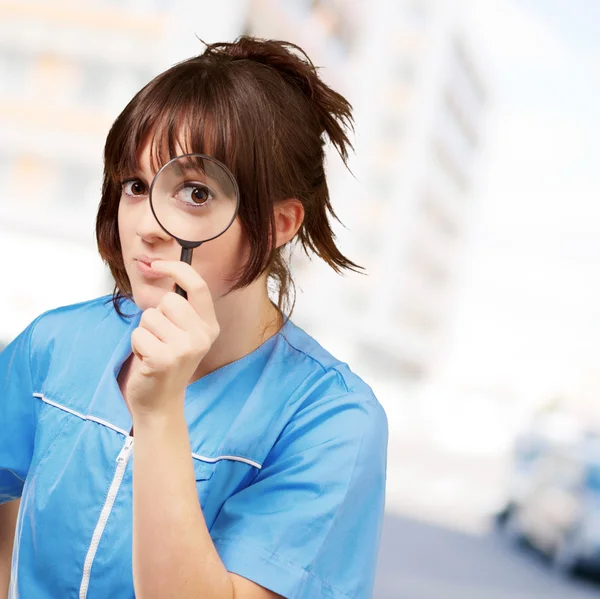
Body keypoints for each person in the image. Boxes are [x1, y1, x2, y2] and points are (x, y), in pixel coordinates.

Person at [0, 36, 388, 599]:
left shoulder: (332, 420)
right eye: (135, 186)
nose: (147, 224)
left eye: (197, 193)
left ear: (280, 224)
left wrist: (159, 415)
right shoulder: (56, 344)